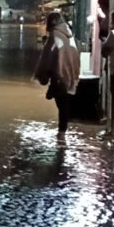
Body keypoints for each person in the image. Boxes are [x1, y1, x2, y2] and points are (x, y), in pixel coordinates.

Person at [34, 11, 81, 141]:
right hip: (69, 73)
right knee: (65, 103)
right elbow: (73, 56)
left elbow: (48, 57)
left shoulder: (55, 36)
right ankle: (62, 132)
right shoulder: (69, 35)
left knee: (62, 105)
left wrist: (43, 74)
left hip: (58, 76)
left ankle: (61, 133)